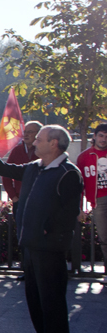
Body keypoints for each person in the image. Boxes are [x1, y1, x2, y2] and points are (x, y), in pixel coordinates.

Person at [0, 126, 82, 333]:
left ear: (54, 144)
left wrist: (49, 229)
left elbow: (70, 212)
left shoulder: (68, 173)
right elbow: (3, 168)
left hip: (49, 246)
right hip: (31, 243)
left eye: (39, 139)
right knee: (35, 295)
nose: (34, 143)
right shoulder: (34, 167)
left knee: (52, 298)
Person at [76, 122, 107, 284]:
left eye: (106, 137)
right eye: (101, 135)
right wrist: (80, 208)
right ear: (94, 136)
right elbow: (79, 186)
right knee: (104, 238)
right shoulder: (84, 157)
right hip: (98, 201)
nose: (103, 139)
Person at [3, 121, 42, 203]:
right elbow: (6, 174)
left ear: (39, 134)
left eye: (30, 132)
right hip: (20, 199)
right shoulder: (16, 150)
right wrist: (13, 197)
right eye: (25, 132)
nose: (26, 134)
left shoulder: (44, 151)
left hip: (40, 200)